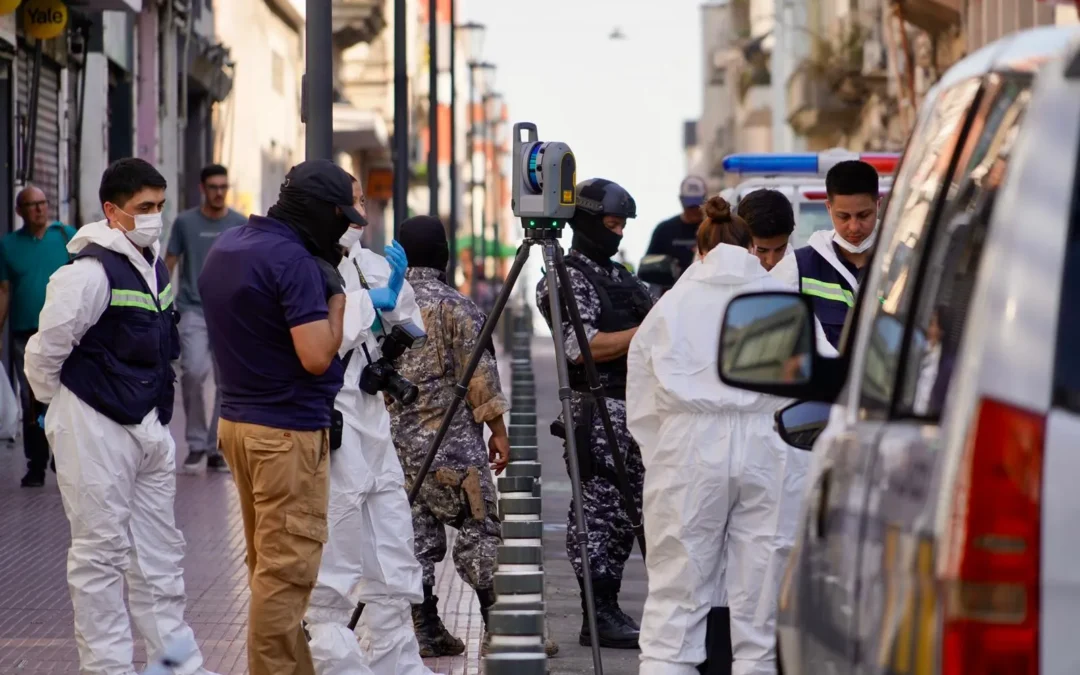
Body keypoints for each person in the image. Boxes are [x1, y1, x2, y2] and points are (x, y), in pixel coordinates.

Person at [23, 158, 218, 675]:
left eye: (160, 206)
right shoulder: (86, 274)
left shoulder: (153, 266)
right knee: (100, 555)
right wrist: (57, 409)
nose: (154, 217)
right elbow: (44, 353)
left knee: (161, 557)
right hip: (95, 425)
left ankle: (176, 664)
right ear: (113, 212)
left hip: (147, 426)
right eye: (143, 208)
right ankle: (107, 668)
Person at [626, 195, 818, 675]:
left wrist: (664, 455)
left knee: (676, 601)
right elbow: (814, 382)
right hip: (769, 445)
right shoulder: (781, 302)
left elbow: (642, 396)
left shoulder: (671, 306)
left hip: (688, 445)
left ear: (701, 247)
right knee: (761, 607)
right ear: (750, 245)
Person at [199, 159, 361, 675]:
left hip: (237, 425)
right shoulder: (294, 262)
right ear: (320, 211)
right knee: (286, 576)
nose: (348, 230)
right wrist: (337, 300)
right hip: (287, 435)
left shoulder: (228, 247)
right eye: (344, 217)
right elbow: (316, 355)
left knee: (267, 570)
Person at [304, 187, 434, 675]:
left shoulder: (375, 265)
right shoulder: (306, 266)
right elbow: (320, 341)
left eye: (363, 198)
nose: (360, 209)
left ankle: (398, 661)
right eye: (349, 199)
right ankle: (336, 662)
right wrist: (362, 307)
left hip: (373, 414)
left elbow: (409, 320)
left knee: (394, 543)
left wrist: (390, 296)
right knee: (336, 553)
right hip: (335, 415)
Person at [387, 215, 514, 657]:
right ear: (442, 254)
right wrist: (498, 431)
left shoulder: (384, 308)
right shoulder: (458, 308)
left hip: (395, 448)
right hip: (453, 446)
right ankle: (498, 631)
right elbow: (481, 378)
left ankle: (426, 630)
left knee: (414, 539)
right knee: (478, 528)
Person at [535, 178, 652, 650]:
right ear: (584, 221)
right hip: (598, 411)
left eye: (623, 224)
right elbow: (580, 348)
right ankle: (596, 612)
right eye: (610, 223)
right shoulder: (564, 277)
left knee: (628, 516)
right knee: (599, 515)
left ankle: (611, 606)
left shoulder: (623, 277)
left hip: (639, 408)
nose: (618, 232)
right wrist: (648, 331)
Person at [166, 164, 246, 474]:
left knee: (228, 381)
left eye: (223, 186)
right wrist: (160, 303)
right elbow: (169, 263)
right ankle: (196, 443)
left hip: (230, 313)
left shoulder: (239, 223)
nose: (219, 192)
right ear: (202, 188)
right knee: (194, 373)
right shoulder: (185, 222)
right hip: (193, 309)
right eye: (213, 186)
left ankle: (216, 447)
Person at [0, 185, 75, 487]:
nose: (40, 209)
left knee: (66, 397)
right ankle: (36, 464)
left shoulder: (67, 237)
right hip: (25, 335)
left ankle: (64, 456)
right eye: (32, 205)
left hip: (66, 333)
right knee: (32, 402)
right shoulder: (8, 246)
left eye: (43, 203)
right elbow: (4, 291)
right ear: (19, 211)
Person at [771, 160, 880, 348]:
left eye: (863, 215)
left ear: (879, 205)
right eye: (843, 216)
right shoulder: (796, 269)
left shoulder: (905, 263)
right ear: (828, 208)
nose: (854, 227)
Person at [642, 175, 707, 293]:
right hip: (671, 294)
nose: (694, 210)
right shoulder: (664, 230)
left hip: (704, 291)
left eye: (697, 205)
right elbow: (647, 265)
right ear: (681, 201)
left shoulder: (713, 229)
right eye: (690, 205)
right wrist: (665, 267)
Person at [736, 188, 796, 277]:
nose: (772, 261)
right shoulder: (724, 274)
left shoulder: (798, 273)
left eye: (780, 249)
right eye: (761, 250)